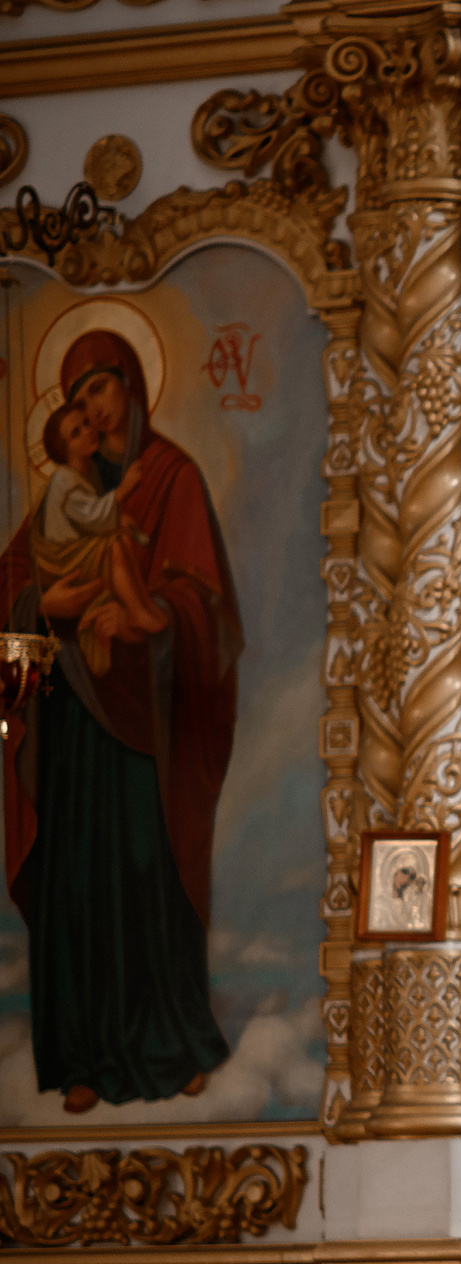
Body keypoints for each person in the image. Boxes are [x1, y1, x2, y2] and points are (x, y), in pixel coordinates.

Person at [2, 328, 241, 1113]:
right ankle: (78, 1055)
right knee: (75, 878)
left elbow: (208, 606)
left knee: (147, 870)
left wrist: (147, 616)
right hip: (71, 722)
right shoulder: (63, 494)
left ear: (133, 386)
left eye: (99, 391)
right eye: (75, 404)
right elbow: (15, 590)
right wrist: (50, 604)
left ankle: (170, 1043)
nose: (92, 413)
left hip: (148, 726)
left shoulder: (169, 479)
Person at [31, 403, 166, 676]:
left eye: (86, 423)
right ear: (64, 449)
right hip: (63, 558)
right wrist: (123, 490)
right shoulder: (63, 480)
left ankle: (139, 607)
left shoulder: (87, 471)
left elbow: (92, 519)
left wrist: (119, 520)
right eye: (75, 433)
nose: (88, 432)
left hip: (77, 549)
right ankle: (139, 611)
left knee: (124, 543)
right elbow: (93, 515)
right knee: (114, 546)